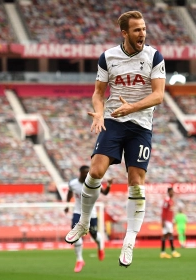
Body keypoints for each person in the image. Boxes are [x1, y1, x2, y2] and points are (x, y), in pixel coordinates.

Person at [64, 10, 166, 268]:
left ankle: (129, 240)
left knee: (136, 181)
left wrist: (130, 108)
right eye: (136, 30)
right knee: (96, 171)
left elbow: (158, 95)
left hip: (140, 125)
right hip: (113, 121)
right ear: (124, 33)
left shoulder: (154, 56)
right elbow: (98, 93)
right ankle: (83, 223)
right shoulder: (108, 57)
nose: (142, 33)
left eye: (143, 28)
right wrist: (99, 113)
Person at [64, 165, 112, 273]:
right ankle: (80, 260)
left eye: (88, 172)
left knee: (94, 235)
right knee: (75, 235)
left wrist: (109, 185)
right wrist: (67, 205)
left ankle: (100, 247)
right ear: (80, 173)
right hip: (78, 212)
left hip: (92, 214)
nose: (86, 174)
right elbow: (69, 192)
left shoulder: (93, 183)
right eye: (85, 173)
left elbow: (105, 193)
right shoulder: (73, 184)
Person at [160, 187, 181, 258]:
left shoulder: (171, 201)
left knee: (165, 235)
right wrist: (163, 221)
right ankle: (173, 251)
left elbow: (170, 211)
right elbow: (164, 210)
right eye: (171, 192)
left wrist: (173, 220)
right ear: (168, 192)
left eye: (173, 192)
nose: (173, 193)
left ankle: (163, 253)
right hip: (166, 221)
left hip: (169, 220)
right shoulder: (167, 200)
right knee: (170, 234)